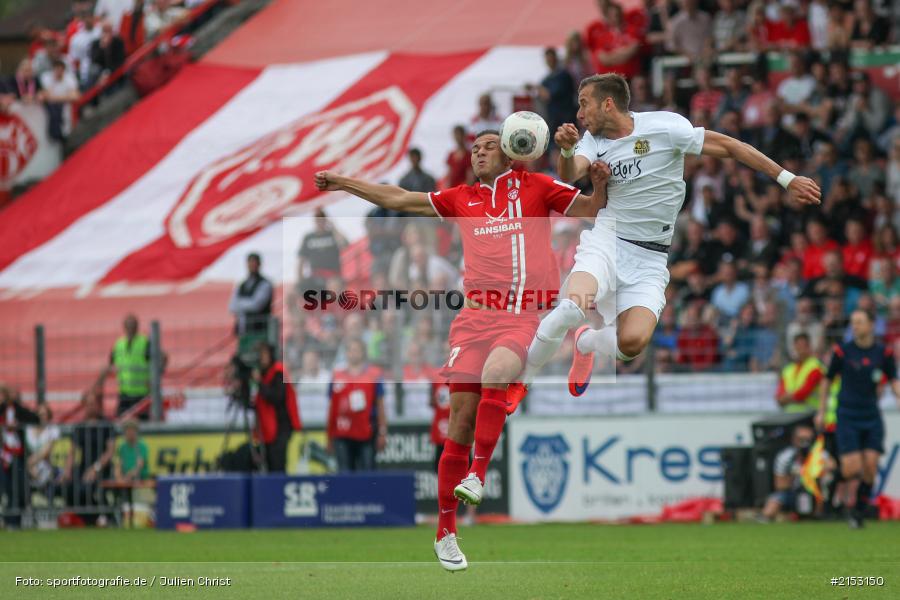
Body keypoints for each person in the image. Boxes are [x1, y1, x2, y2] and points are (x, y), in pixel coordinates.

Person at [315, 129, 608, 572]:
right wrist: (343, 182)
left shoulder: (535, 186)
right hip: (472, 321)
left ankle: (478, 472)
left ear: (509, 151)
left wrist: (600, 183)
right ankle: (445, 532)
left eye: (489, 145)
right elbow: (398, 199)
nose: (480, 151)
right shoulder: (461, 198)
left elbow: (589, 207)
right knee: (460, 422)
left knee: (497, 372)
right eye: (475, 148)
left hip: (520, 315)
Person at [513, 72, 820, 401]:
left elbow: (731, 146)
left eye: (584, 104)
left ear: (608, 103)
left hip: (651, 257)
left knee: (631, 345)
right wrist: (567, 150)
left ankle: (587, 342)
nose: (579, 113)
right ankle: (519, 382)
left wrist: (787, 179)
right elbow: (571, 172)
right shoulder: (592, 140)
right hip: (607, 242)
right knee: (573, 306)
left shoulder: (664, 127)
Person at [818, 309, 900, 528]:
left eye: (859, 322)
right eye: (853, 322)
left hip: (871, 415)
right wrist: (821, 410)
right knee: (851, 469)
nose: (855, 326)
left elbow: (893, 380)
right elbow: (827, 380)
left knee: (871, 468)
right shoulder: (843, 351)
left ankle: (858, 512)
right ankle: (829, 490)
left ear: (872, 325)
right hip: (847, 415)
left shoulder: (883, 353)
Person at [326, 339, 386, 473]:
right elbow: (331, 407)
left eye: (357, 350)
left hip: (367, 430)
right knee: (345, 471)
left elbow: (380, 404)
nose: (354, 354)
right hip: (342, 431)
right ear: (346, 353)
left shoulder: (374, 375)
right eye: (351, 350)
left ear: (363, 353)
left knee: (368, 470)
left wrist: (382, 431)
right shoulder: (337, 375)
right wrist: (329, 434)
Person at [60, 389, 116, 526]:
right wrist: (67, 471)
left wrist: (95, 468)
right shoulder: (80, 427)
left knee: (86, 488)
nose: (91, 407)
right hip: (84, 465)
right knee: (68, 488)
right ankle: (88, 519)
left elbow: (110, 451)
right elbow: (72, 452)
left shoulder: (106, 425)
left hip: (102, 467)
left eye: (93, 403)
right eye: (88, 404)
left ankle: (104, 517)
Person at [96, 314, 166, 419]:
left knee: (143, 424)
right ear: (124, 326)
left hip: (142, 393)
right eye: (128, 325)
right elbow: (110, 364)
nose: (130, 327)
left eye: (133, 325)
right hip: (124, 393)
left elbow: (163, 358)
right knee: (121, 422)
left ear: (137, 326)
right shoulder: (118, 344)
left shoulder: (145, 342)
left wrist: (155, 377)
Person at [759, 424, 835, 522]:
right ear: (794, 440)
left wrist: (814, 472)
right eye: (801, 439)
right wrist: (797, 475)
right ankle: (765, 519)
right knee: (775, 500)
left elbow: (832, 466)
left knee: (828, 479)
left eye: (807, 440)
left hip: (815, 492)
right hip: (793, 492)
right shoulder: (785, 457)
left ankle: (821, 515)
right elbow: (780, 485)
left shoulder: (818, 454)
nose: (804, 443)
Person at [253, 343, 301, 473]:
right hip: (268, 428)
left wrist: (259, 383)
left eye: (263, 354)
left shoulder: (278, 372)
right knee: (269, 464)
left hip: (281, 427)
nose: (260, 358)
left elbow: (277, 397)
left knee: (278, 464)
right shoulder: (265, 373)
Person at [1, 386, 38, 528]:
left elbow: (35, 418)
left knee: (18, 489)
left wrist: (19, 424)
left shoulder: (20, 411)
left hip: (18, 456)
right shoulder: (2, 410)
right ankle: (10, 520)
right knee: (8, 489)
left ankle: (16, 520)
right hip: (4, 455)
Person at [297, 208, 346, 292]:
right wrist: (300, 280)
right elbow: (301, 260)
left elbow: (344, 244)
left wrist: (334, 228)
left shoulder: (332, 234)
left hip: (333, 276)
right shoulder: (309, 237)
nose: (320, 221)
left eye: (322, 218)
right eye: (317, 218)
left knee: (333, 288)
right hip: (316, 276)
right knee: (303, 289)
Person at [776, 334, 825, 413]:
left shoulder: (816, 367)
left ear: (809, 347)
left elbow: (803, 394)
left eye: (803, 346)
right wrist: (788, 398)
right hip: (790, 415)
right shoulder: (788, 370)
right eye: (798, 346)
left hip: (810, 413)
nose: (800, 350)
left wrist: (786, 398)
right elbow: (779, 397)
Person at [229, 252, 273, 335]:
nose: (252, 265)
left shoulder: (265, 284)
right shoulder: (242, 284)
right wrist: (247, 303)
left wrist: (240, 303)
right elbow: (232, 306)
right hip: (243, 329)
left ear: (259, 264)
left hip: (259, 329)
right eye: (250, 263)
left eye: (254, 263)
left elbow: (256, 305)